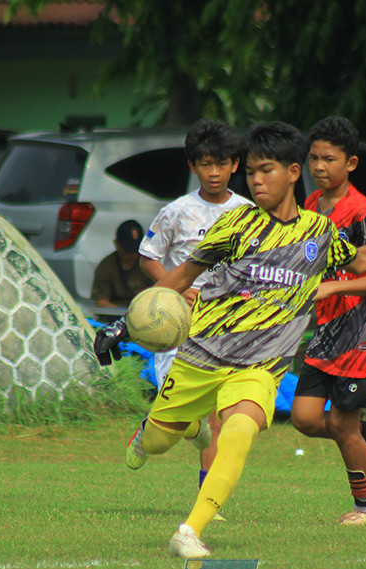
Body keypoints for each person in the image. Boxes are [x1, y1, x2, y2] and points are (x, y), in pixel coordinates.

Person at [95, 121, 366, 558]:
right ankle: (173, 427)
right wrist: (124, 325)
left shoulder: (318, 232)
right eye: (250, 172)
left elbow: (364, 260)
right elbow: (179, 277)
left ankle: (189, 531)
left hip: (257, 368)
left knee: (239, 430)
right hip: (203, 355)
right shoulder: (235, 226)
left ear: (292, 172)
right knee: (157, 443)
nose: (254, 180)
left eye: (264, 170)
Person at [289, 117, 366, 527]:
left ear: (351, 163)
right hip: (327, 331)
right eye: (314, 158)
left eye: (329, 159)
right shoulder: (309, 207)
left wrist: (333, 290)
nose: (319, 167)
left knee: (342, 425)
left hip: (363, 332)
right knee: (305, 418)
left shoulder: (363, 213)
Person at [136, 118, 251, 503]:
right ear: (192, 166)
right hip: (180, 326)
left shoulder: (249, 213)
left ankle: (207, 500)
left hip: (227, 325)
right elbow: (148, 257)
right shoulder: (177, 212)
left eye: (221, 163)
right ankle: (153, 427)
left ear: (235, 164)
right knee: (182, 423)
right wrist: (175, 289)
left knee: (218, 414)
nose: (214, 172)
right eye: (205, 164)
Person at [90, 219, 153, 309]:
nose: (132, 255)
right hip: (114, 316)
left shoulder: (147, 264)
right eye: (127, 251)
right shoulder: (106, 266)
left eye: (136, 251)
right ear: (117, 244)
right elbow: (101, 301)